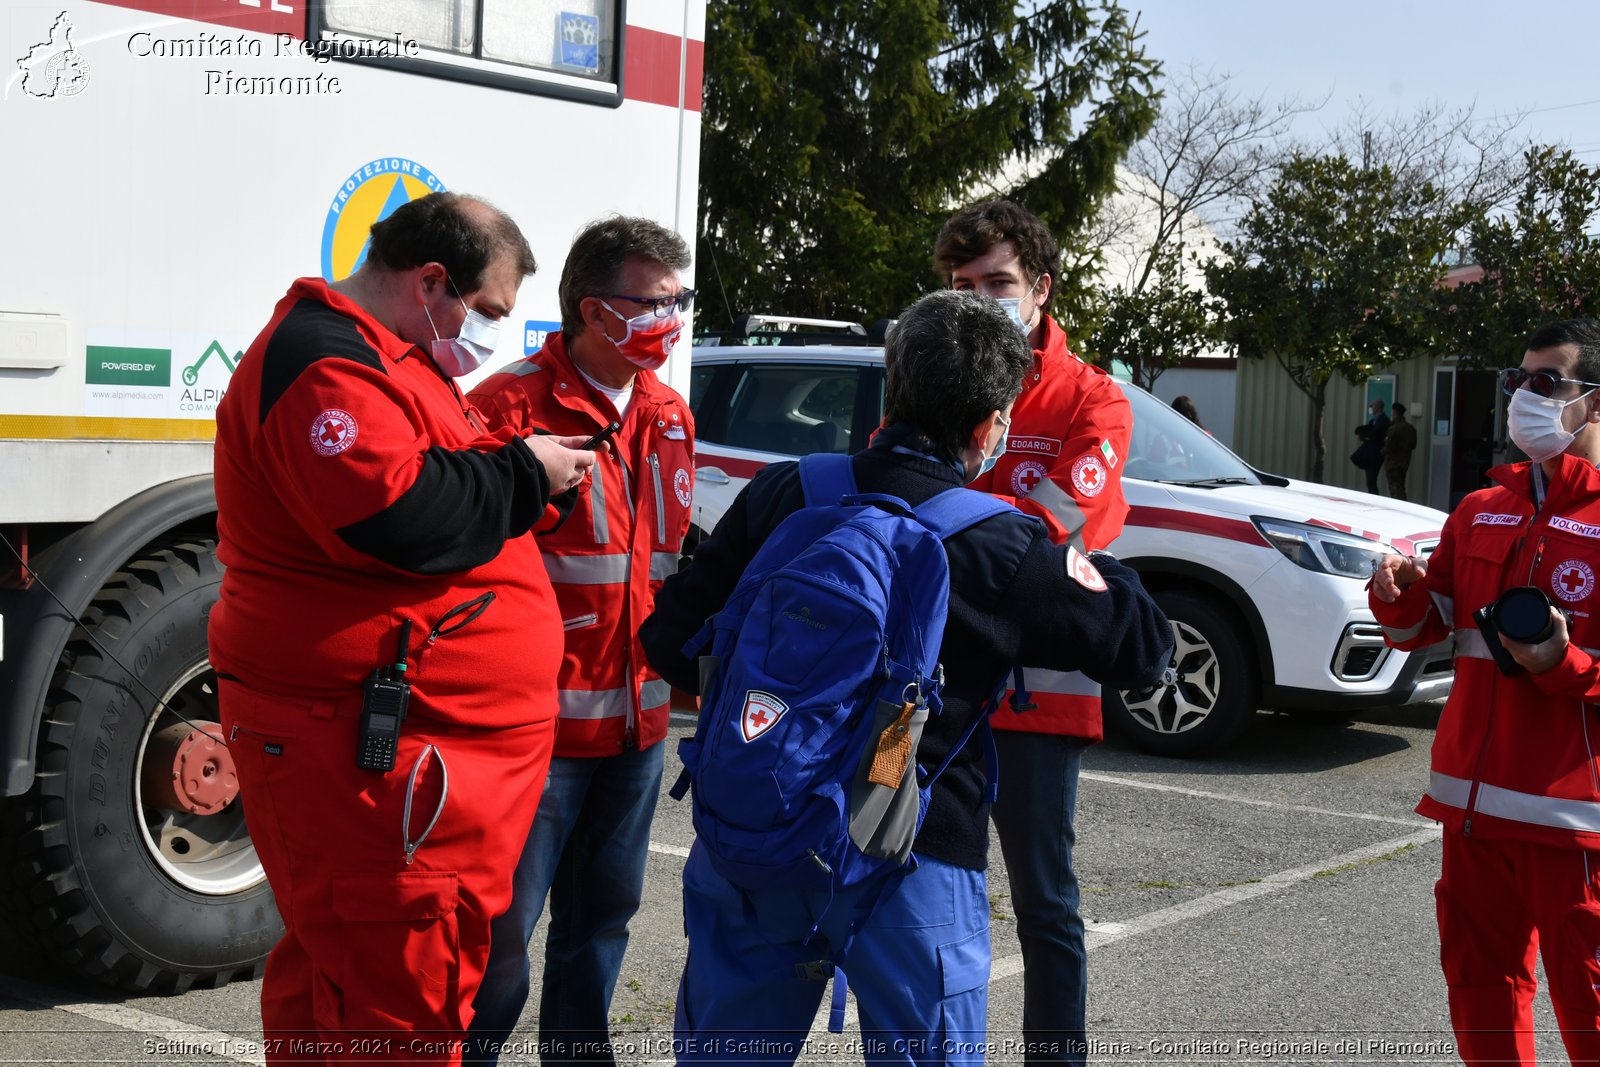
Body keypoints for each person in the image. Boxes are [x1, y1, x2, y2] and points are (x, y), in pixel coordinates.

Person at [639, 290, 1172, 1065]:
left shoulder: (788, 493)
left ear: (893, 387)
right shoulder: (1004, 545)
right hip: (911, 853)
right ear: (989, 426)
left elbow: (671, 640)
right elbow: (1142, 651)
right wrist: (1092, 561)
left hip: (756, 835)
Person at [211, 192, 599, 1064]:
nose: (491, 334)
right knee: (398, 996)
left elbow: (439, 487)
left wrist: (515, 484)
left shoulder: (398, 358)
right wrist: (522, 475)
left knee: (350, 980)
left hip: (404, 748)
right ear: (432, 281)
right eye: (489, 311)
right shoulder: (323, 361)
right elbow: (397, 513)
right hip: (367, 748)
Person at [464, 217, 696, 1066]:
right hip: (537, 736)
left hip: (638, 730)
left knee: (601, 929)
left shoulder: (670, 413)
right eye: (656, 302)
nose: (671, 318)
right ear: (597, 312)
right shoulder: (504, 409)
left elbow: (663, 569)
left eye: (680, 300)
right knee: (499, 945)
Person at [933, 199, 1134, 1065]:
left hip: (1039, 701)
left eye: (998, 283)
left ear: (1042, 287)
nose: (978, 300)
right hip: (930, 696)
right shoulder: (935, 376)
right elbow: (894, 493)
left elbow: (1052, 533)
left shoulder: (1092, 397)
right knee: (928, 890)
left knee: (1045, 904)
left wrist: (957, 513)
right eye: (961, 285)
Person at [1369, 318, 1600, 1066]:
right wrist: (1396, 596)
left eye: (1545, 383)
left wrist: (1562, 662)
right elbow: (1425, 625)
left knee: (1591, 1010)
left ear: (1593, 403)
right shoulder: (1477, 508)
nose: (1521, 397)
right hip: (1472, 812)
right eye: (1516, 380)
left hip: (1575, 827)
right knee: (1481, 997)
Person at [1350, 399, 1389, 495]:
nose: (1371, 408)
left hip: (1376, 454)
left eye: (1373, 406)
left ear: (1378, 407)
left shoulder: (1384, 420)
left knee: (1372, 479)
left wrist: (1369, 434)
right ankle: (1372, 495)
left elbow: (1376, 433)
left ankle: (1374, 497)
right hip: (1370, 454)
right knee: (1369, 480)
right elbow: (1367, 433)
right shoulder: (1373, 420)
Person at [1383, 401, 1417, 500]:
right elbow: (1413, 445)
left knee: (1395, 490)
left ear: (1395, 413)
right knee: (1401, 487)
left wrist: (1381, 452)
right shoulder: (1410, 428)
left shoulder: (1394, 428)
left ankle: (1399, 511)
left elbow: (1389, 446)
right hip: (1404, 462)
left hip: (1393, 463)